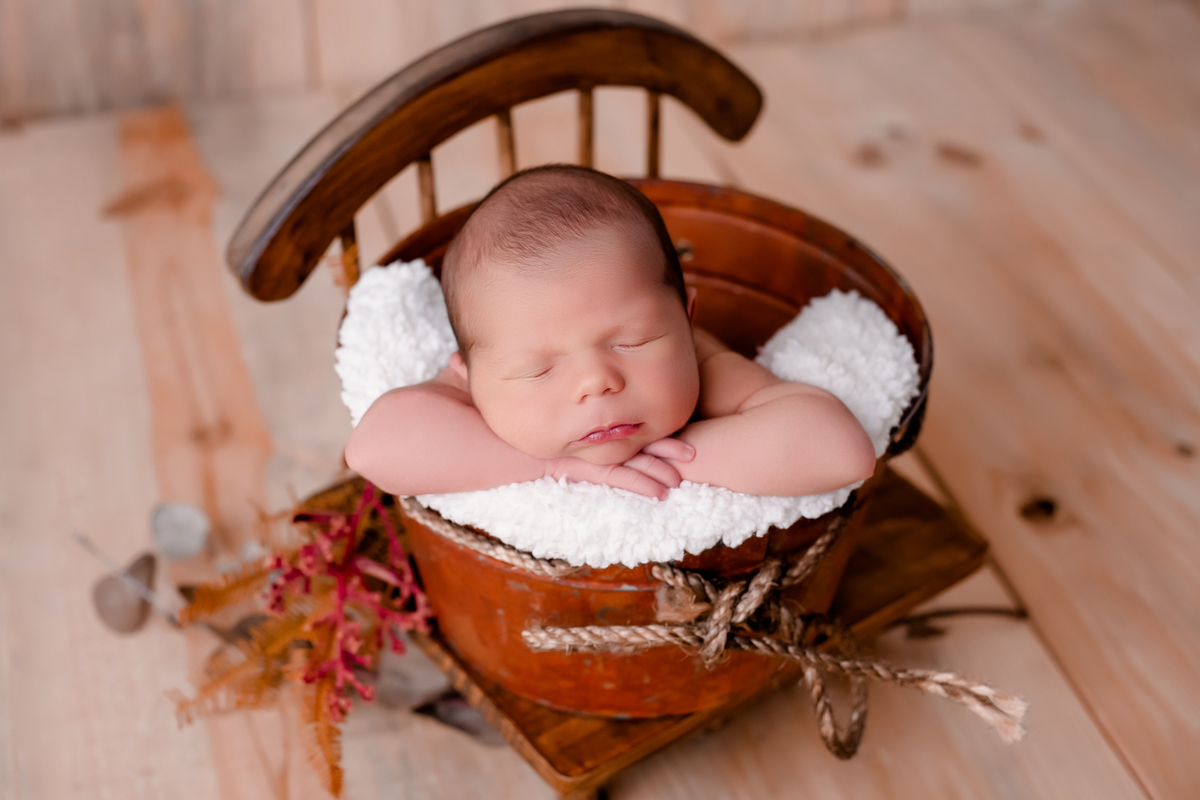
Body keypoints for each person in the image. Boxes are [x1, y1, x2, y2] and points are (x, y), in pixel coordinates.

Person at [345, 165, 875, 501]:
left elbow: (839, 449)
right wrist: (556, 466)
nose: (595, 381)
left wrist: (673, 458)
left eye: (633, 342)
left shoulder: (704, 364)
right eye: (538, 369)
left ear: (687, 319)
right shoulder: (480, 379)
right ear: (467, 374)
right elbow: (373, 449)